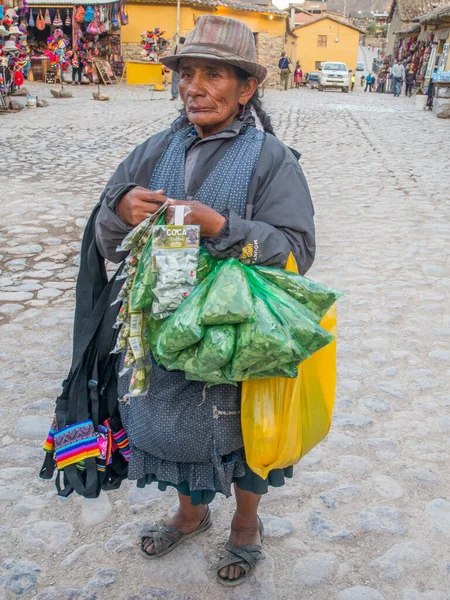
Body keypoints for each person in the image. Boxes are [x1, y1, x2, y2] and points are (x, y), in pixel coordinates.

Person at [94, 14, 315, 587]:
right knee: (172, 424)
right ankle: (190, 514)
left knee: (242, 432)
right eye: (187, 74)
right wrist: (120, 213)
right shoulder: (154, 149)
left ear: (247, 89)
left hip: (236, 335)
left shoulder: (272, 160)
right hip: (163, 327)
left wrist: (222, 226)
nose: (195, 87)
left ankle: (245, 524)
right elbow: (105, 229)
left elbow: (296, 250)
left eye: (214, 75)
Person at [170, 36, 185, 101]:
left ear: (179, 41)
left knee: (175, 81)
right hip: (185, 66)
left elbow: (171, 56)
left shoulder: (175, 47)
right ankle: (184, 96)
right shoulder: (186, 48)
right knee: (185, 81)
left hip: (176, 66)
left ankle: (174, 96)